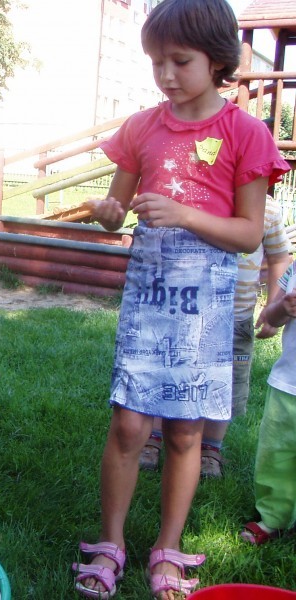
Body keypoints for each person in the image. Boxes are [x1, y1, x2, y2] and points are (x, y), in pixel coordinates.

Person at [70, 1, 290, 598]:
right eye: (156, 62)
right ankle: (111, 541)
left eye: (180, 61)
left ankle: (167, 547)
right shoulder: (142, 127)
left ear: (219, 59)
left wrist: (185, 214)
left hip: (207, 305)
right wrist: (108, 212)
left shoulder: (245, 132)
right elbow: (117, 212)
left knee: (187, 431)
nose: (165, 74)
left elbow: (249, 233)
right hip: (149, 296)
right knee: (127, 423)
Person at [139, 196, 292, 477]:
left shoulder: (267, 208)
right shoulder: (203, 196)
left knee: (228, 384)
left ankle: (211, 448)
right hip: (187, 310)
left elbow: (280, 256)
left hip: (236, 317)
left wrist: (273, 306)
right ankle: (154, 437)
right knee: (172, 371)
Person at [239, 259, 296, 545]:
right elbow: (272, 315)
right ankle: (273, 517)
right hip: (288, 383)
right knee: (277, 455)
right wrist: (283, 307)